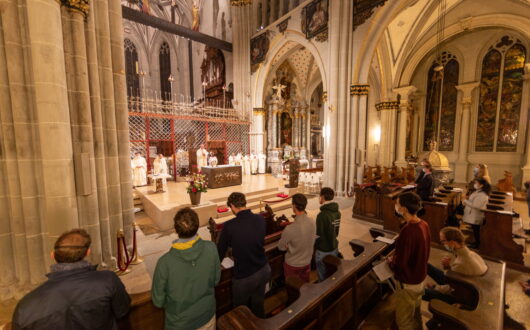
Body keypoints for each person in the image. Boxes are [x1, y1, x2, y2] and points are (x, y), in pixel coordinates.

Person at [12, 229, 130, 329]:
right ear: (88, 252)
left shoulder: (26, 306)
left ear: (52, 255)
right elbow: (122, 311)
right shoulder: (107, 280)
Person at [152, 207, 221, 330]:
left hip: (180, 323)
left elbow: (158, 301)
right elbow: (216, 280)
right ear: (198, 225)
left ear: (175, 229)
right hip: (207, 316)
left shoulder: (164, 263)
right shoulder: (211, 248)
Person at [217, 192, 271, 317]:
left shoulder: (229, 226)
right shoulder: (260, 219)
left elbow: (220, 252)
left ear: (232, 206)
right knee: (258, 306)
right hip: (263, 269)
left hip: (244, 276)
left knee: (240, 313)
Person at [389, 192, 430, 330]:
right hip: (420, 278)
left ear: (404, 209)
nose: (396, 206)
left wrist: (391, 261)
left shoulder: (408, 231)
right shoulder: (424, 224)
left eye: (398, 204)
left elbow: (400, 264)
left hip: (407, 282)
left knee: (404, 321)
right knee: (416, 315)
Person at [423, 227, 487, 304]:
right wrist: (447, 267)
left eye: (443, 241)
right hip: (462, 285)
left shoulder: (461, 263)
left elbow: (452, 289)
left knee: (422, 292)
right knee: (427, 266)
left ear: (453, 242)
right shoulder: (472, 253)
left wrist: (435, 287)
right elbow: (454, 277)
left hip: (462, 296)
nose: (443, 244)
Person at [278, 194, 316, 283]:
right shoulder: (312, 222)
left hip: (293, 264)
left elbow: (281, 247)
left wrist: (288, 246)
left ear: (294, 206)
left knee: (293, 290)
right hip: (307, 262)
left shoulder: (290, 229)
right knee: (305, 288)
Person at [315, 187, 341, 282]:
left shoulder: (322, 215)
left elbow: (318, 235)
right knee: (332, 273)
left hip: (323, 250)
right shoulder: (337, 212)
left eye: (319, 196)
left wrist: (317, 245)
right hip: (334, 247)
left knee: (322, 277)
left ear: (322, 197)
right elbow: (336, 231)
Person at [462, 178, 491, 249]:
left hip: (476, 215)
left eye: (476, 183)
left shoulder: (482, 195)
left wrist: (466, 201)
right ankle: (475, 242)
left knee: (476, 230)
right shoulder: (478, 191)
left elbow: (476, 205)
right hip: (473, 214)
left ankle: (477, 244)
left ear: (481, 185)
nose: (475, 184)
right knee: (475, 229)